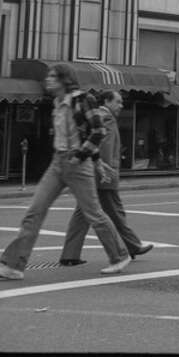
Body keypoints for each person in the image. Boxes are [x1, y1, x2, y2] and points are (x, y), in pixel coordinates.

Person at [0, 64, 132, 280]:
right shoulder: (57, 102)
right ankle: (13, 265)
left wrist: (84, 157)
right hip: (58, 162)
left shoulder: (83, 100)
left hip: (77, 164)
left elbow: (97, 131)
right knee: (35, 211)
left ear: (64, 80)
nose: (48, 80)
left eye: (53, 77)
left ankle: (119, 255)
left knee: (94, 214)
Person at [60, 91, 154, 266]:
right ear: (107, 101)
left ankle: (70, 254)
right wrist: (107, 172)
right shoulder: (108, 118)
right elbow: (106, 148)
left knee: (83, 213)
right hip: (103, 174)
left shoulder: (100, 116)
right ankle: (132, 246)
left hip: (92, 173)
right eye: (118, 102)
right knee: (115, 211)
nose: (121, 105)